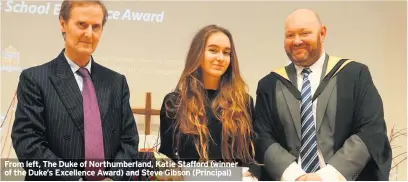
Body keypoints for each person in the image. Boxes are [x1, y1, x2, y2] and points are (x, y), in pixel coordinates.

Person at [254, 9, 391, 181]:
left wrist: (325, 177)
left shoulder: (354, 75)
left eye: (304, 33)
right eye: (290, 35)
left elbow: (370, 129)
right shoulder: (270, 84)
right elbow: (262, 136)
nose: (296, 41)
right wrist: (296, 176)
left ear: (322, 33)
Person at [11, 0, 138, 180]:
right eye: (82, 24)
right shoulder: (35, 79)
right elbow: (28, 143)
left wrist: (113, 178)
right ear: (63, 24)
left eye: (96, 27)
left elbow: (129, 141)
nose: (89, 33)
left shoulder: (116, 82)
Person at [158, 24, 260, 181]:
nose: (220, 58)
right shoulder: (175, 103)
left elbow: (254, 157)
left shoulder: (244, 102)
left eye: (226, 53)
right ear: (198, 54)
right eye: (213, 50)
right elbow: (167, 163)